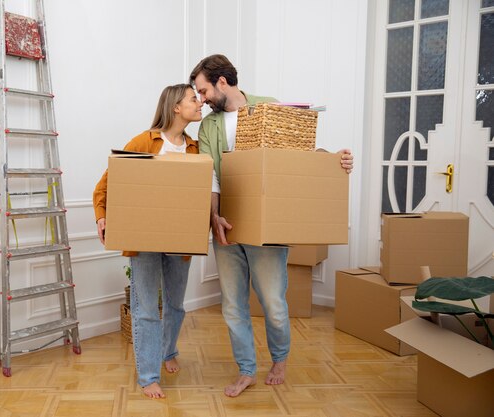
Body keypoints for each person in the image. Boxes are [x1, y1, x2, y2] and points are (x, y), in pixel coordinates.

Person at [189, 54, 354, 397]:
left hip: (266, 224)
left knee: (273, 303)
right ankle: (246, 369)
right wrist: (214, 218)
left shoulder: (269, 107)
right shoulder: (209, 127)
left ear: (222, 82)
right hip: (226, 226)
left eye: (203, 90)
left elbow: (296, 157)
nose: (201, 99)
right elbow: (212, 177)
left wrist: (334, 159)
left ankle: (279, 359)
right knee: (233, 305)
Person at [92, 84, 203, 399]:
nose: (200, 103)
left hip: (181, 239)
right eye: (194, 99)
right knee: (145, 309)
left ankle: (168, 351)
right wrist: (102, 216)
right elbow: (106, 183)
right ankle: (148, 375)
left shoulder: (195, 148)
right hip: (144, 240)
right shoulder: (144, 141)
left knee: (176, 305)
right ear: (176, 107)